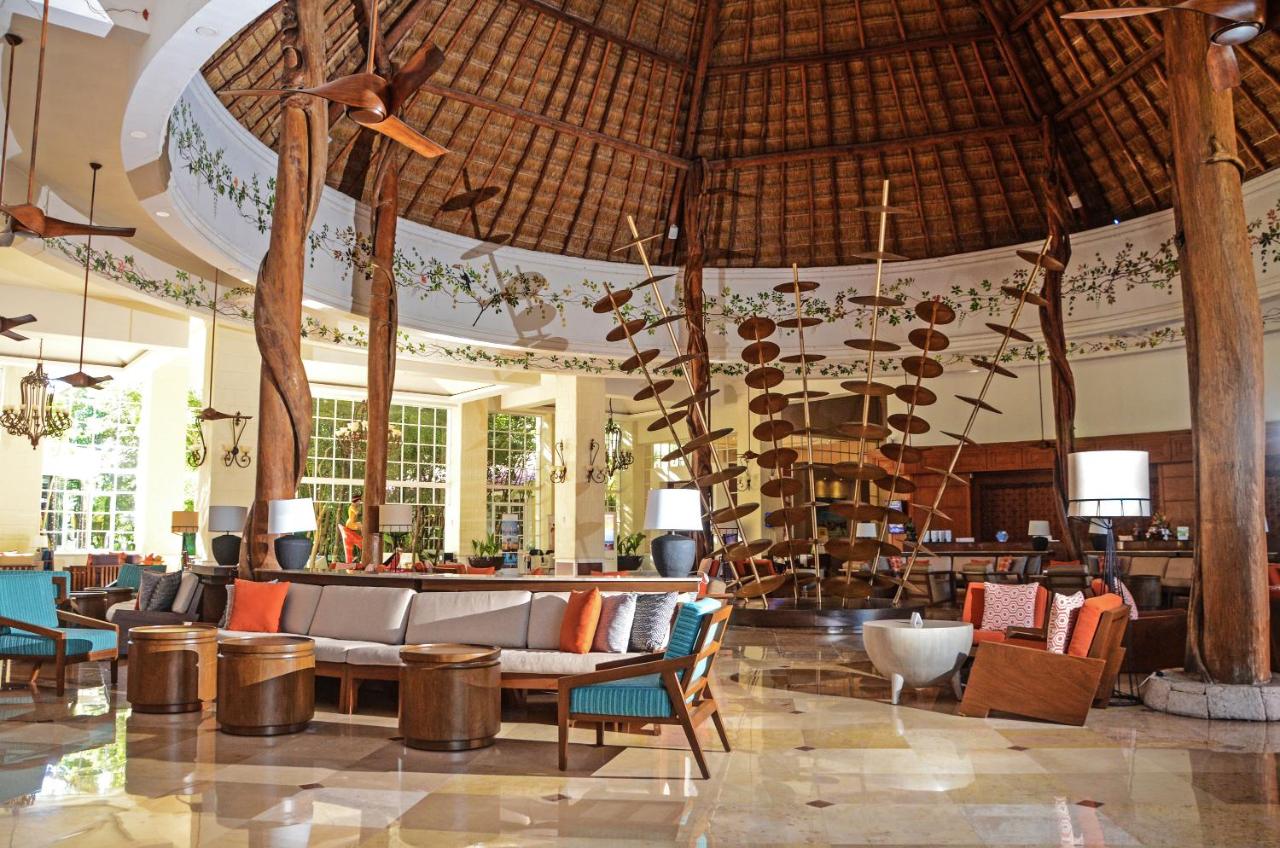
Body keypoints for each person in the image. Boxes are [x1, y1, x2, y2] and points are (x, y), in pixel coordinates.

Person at [340, 494, 363, 564]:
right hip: (350, 524)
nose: (359, 502)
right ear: (356, 501)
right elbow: (357, 513)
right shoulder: (352, 507)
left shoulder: (354, 506)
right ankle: (363, 538)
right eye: (359, 501)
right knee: (361, 526)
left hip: (352, 523)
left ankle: (362, 539)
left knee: (361, 525)